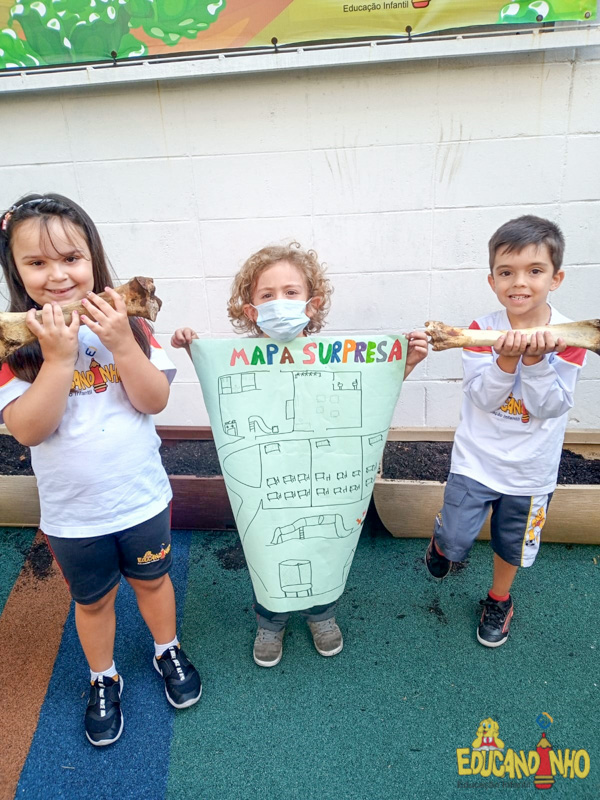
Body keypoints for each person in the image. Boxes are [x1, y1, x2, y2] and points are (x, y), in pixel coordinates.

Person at [0, 194, 201, 746]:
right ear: (15, 270)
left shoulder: (127, 324)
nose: (57, 275)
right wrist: (59, 359)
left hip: (141, 499)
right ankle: (103, 675)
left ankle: (166, 648)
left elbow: (153, 399)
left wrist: (120, 343)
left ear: (93, 258)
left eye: (71, 258)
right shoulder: (15, 346)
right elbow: (29, 430)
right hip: (73, 516)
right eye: (37, 262)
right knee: (92, 602)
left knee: (154, 582)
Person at [172, 243, 428, 667]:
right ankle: (270, 621)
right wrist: (192, 348)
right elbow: (220, 384)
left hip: (322, 476)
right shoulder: (240, 361)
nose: (280, 302)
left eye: (291, 293)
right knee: (267, 545)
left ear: (313, 303)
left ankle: (321, 615)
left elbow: (370, 393)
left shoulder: (333, 360)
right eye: (267, 295)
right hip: (272, 481)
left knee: (324, 543)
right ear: (251, 310)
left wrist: (408, 361)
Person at [425, 215, 586, 647]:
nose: (520, 282)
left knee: (511, 546)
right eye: (506, 272)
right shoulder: (481, 331)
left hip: (530, 472)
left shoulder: (570, 337)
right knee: (456, 538)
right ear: (492, 280)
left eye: (535, 270)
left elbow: (550, 406)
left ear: (555, 278)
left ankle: (499, 599)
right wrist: (507, 359)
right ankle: (441, 545)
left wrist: (534, 361)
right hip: (476, 460)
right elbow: (481, 397)